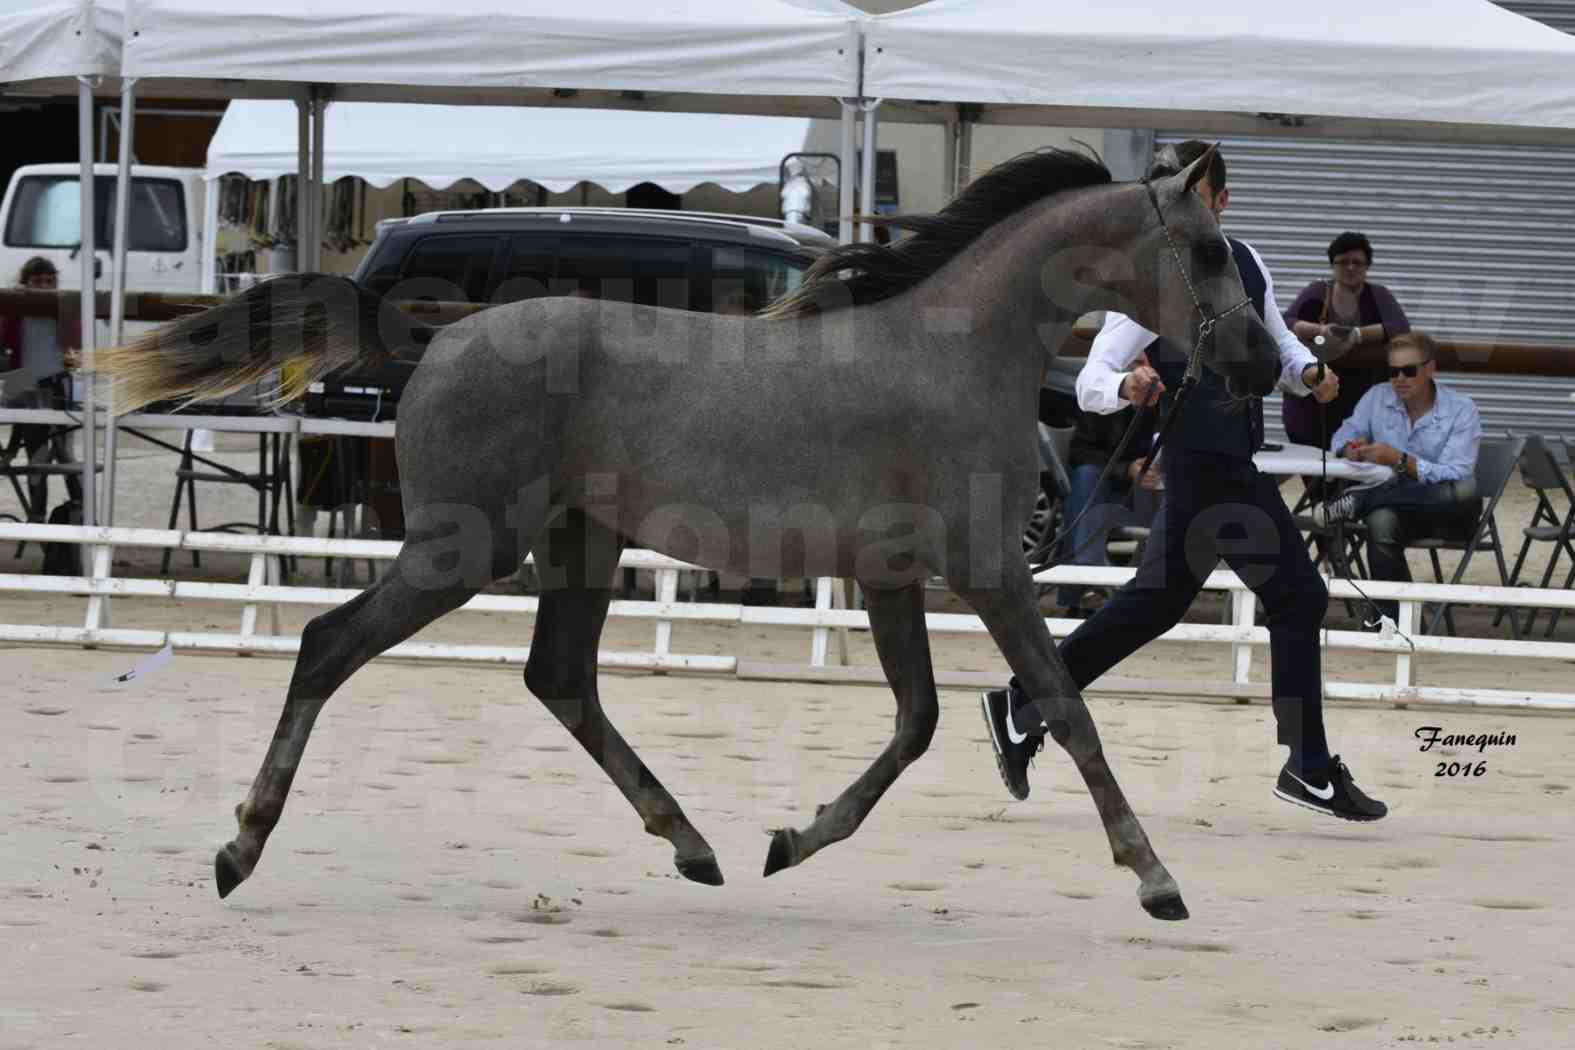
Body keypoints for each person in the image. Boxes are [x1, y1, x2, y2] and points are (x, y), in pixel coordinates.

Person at [980, 141, 1387, 823]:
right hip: (1206, 466)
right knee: (1297, 597)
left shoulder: (1247, 261)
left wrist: (1307, 375)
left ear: (1220, 201)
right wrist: (1127, 384)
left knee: (1151, 606)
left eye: (1191, 198)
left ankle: (1024, 705)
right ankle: (1308, 765)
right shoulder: (1149, 281)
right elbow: (1088, 383)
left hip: (1231, 460)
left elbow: (1278, 347)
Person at [1315, 331, 1483, 625]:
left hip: (1448, 513)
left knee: (1466, 488)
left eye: (1409, 370)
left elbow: (1456, 473)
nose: (1399, 379)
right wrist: (1350, 448)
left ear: (1430, 368)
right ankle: (1393, 621)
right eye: (1393, 371)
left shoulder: (1462, 409)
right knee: (1380, 520)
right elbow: (1344, 433)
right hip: (1401, 510)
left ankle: (1361, 501)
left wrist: (1399, 460)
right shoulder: (1378, 397)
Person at [1282, 231, 1411, 445]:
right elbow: (1285, 323)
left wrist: (1357, 335)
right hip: (1313, 404)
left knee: (1354, 466)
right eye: (1343, 262)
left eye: (1357, 262)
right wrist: (1319, 331)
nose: (1350, 267)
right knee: (1311, 467)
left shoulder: (1379, 295)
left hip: (1361, 403)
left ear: (1367, 266)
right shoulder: (1318, 291)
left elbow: (1400, 327)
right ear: (1333, 265)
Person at [1054, 358, 1160, 617]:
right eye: (1136, 359)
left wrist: (1154, 466)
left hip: (1147, 490)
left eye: (1147, 358)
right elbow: (1082, 453)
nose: (1143, 365)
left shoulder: (1167, 392)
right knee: (1088, 481)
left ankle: (1086, 590)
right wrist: (1127, 469)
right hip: (1106, 486)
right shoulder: (1098, 396)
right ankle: (1089, 582)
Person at [0, 257, 82, 520]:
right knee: (37, 457)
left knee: (64, 453)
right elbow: (8, 353)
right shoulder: (14, 310)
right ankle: (37, 518)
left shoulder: (63, 307)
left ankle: (82, 511)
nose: (43, 286)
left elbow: (74, 350)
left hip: (57, 382)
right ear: (25, 283)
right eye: (37, 281)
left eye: (49, 281)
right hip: (24, 379)